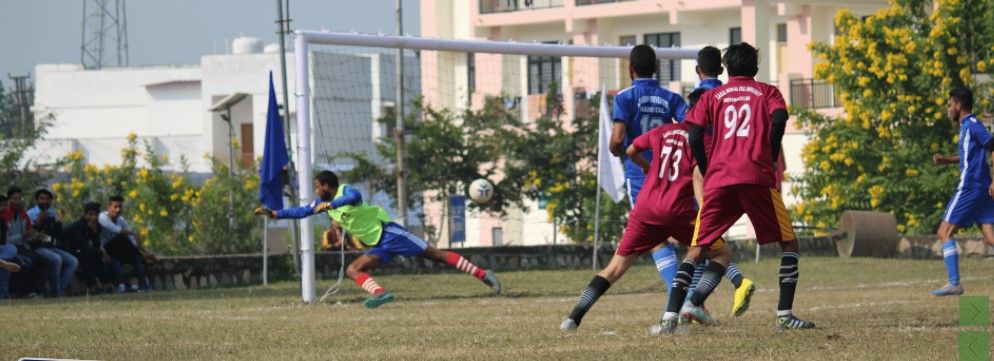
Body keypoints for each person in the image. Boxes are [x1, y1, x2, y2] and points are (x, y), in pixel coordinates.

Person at [682, 42, 814, 330]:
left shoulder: (712, 96)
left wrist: (707, 168)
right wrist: (769, 152)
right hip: (756, 177)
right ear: (755, 67)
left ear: (727, 68)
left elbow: (694, 135)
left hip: (719, 180)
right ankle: (785, 315)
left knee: (697, 248)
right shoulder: (767, 91)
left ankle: (681, 307)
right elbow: (779, 118)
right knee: (789, 243)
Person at [561, 121, 733, 332]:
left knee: (614, 268)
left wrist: (647, 167)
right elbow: (698, 177)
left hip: (646, 209)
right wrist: (708, 213)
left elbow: (631, 149)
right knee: (721, 253)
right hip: (678, 211)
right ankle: (691, 303)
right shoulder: (703, 140)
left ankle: (572, 319)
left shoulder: (662, 131)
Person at [256, 170, 501, 309]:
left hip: (390, 233)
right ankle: (380, 293)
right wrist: (275, 214)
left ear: (327, 186)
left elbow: (355, 197)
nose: (315, 190)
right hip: (378, 244)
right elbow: (302, 212)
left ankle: (483, 274)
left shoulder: (344, 191)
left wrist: (333, 203)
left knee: (435, 255)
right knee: (354, 269)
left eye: (317, 186)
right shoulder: (322, 203)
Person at [682, 46, 755, 318]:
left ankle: (736, 282)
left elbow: (691, 133)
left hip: (705, 171)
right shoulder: (729, 94)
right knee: (705, 239)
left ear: (697, 70)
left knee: (704, 238)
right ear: (722, 70)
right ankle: (696, 301)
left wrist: (699, 169)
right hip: (730, 164)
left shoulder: (698, 97)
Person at [610, 44, 687, 295]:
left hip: (640, 176)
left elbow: (618, 140)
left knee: (654, 237)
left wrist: (615, 150)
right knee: (696, 234)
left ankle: (679, 296)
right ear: (656, 68)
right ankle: (697, 294)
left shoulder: (624, 97)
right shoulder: (672, 97)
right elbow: (690, 127)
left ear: (630, 69)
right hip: (671, 173)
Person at [929, 87, 994, 296]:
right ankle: (954, 283)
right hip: (981, 189)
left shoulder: (973, 125)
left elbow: (993, 146)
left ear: (958, 104)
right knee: (990, 238)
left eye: (949, 105)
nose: (948, 109)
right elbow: (971, 156)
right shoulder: (967, 126)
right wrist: (947, 160)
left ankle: (954, 283)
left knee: (944, 232)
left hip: (971, 187)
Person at [27, 188, 78, 297]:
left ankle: (61, 289)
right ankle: (56, 291)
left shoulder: (52, 212)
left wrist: (58, 223)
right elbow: (29, 235)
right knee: (56, 259)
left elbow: (58, 235)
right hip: (36, 248)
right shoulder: (30, 214)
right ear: (36, 200)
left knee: (73, 261)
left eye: (47, 199)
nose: (45, 201)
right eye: (42, 198)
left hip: (50, 247)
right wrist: (39, 221)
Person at [98, 195, 151, 292]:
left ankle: (143, 286)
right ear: (109, 207)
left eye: (120, 207)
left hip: (117, 251)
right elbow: (115, 229)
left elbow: (132, 239)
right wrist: (133, 233)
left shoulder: (121, 220)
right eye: (115, 207)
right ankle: (125, 285)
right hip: (105, 250)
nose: (118, 210)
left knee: (135, 257)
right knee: (121, 237)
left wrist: (146, 252)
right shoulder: (102, 217)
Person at [2, 187, 42, 297]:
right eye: (15, 199)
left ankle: (30, 291)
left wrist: (35, 235)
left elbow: (28, 235)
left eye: (19, 198)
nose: (18, 201)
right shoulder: (5, 214)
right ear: (9, 200)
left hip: (21, 246)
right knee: (24, 262)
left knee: (37, 258)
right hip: (9, 247)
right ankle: (15, 292)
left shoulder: (23, 214)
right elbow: (6, 240)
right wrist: (23, 235)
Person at [62, 202, 106, 294]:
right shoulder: (78, 226)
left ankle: (102, 282)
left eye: (95, 215)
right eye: (90, 214)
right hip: (67, 250)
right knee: (87, 254)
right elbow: (82, 245)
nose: (92, 217)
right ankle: (92, 284)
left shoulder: (97, 226)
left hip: (81, 251)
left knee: (98, 254)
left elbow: (95, 245)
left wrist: (94, 232)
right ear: (85, 214)